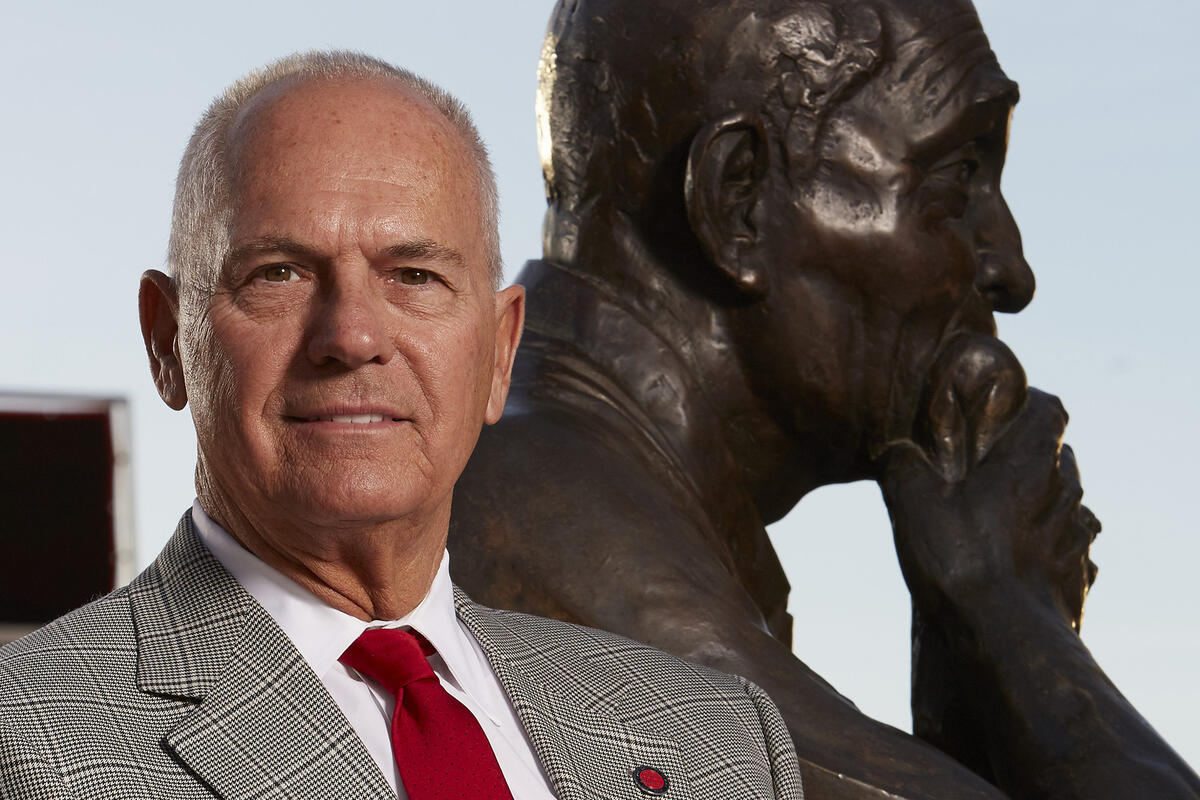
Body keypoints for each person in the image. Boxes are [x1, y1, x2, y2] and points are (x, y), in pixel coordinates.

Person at [0, 52, 803, 800]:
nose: (352, 336)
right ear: (168, 342)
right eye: (278, 273)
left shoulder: (721, 743)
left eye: (414, 275)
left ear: (499, 354)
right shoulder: (26, 743)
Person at [449, 1, 1200, 798]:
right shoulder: (542, 520)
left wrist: (966, 652)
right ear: (737, 201)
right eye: (955, 181)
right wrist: (1014, 617)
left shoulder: (586, 479)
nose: (1011, 272)